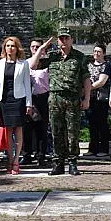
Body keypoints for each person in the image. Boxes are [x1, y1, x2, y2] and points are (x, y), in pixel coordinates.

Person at [32, 28, 91, 176]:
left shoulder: (80, 57)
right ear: (57, 40)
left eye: (66, 38)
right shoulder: (52, 57)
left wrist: (87, 98)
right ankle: (58, 163)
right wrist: (41, 48)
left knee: (72, 132)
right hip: (55, 98)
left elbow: (86, 79)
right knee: (56, 132)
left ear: (71, 40)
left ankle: (72, 163)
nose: (63, 41)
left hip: (72, 98)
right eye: (61, 38)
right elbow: (32, 65)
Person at [0, 36, 33, 174]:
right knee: (8, 131)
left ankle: (16, 160)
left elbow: (27, 84)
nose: (10, 48)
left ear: (17, 48)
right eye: (8, 46)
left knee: (18, 130)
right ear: (4, 48)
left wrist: (29, 103)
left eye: (13, 46)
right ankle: (10, 159)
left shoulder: (23, 64)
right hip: (4, 100)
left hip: (19, 99)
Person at [23, 38, 51, 166]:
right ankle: (27, 154)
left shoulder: (48, 63)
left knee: (42, 129)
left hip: (44, 98)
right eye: (33, 46)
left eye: (38, 46)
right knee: (27, 128)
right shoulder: (26, 63)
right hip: (30, 98)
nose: (35, 48)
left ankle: (41, 155)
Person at [85, 45, 111, 158]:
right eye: (95, 51)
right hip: (90, 98)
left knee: (102, 124)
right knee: (92, 124)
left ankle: (104, 149)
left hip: (101, 99)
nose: (96, 53)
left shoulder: (107, 65)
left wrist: (87, 88)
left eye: (99, 51)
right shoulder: (88, 65)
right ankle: (93, 148)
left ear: (104, 53)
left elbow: (101, 82)